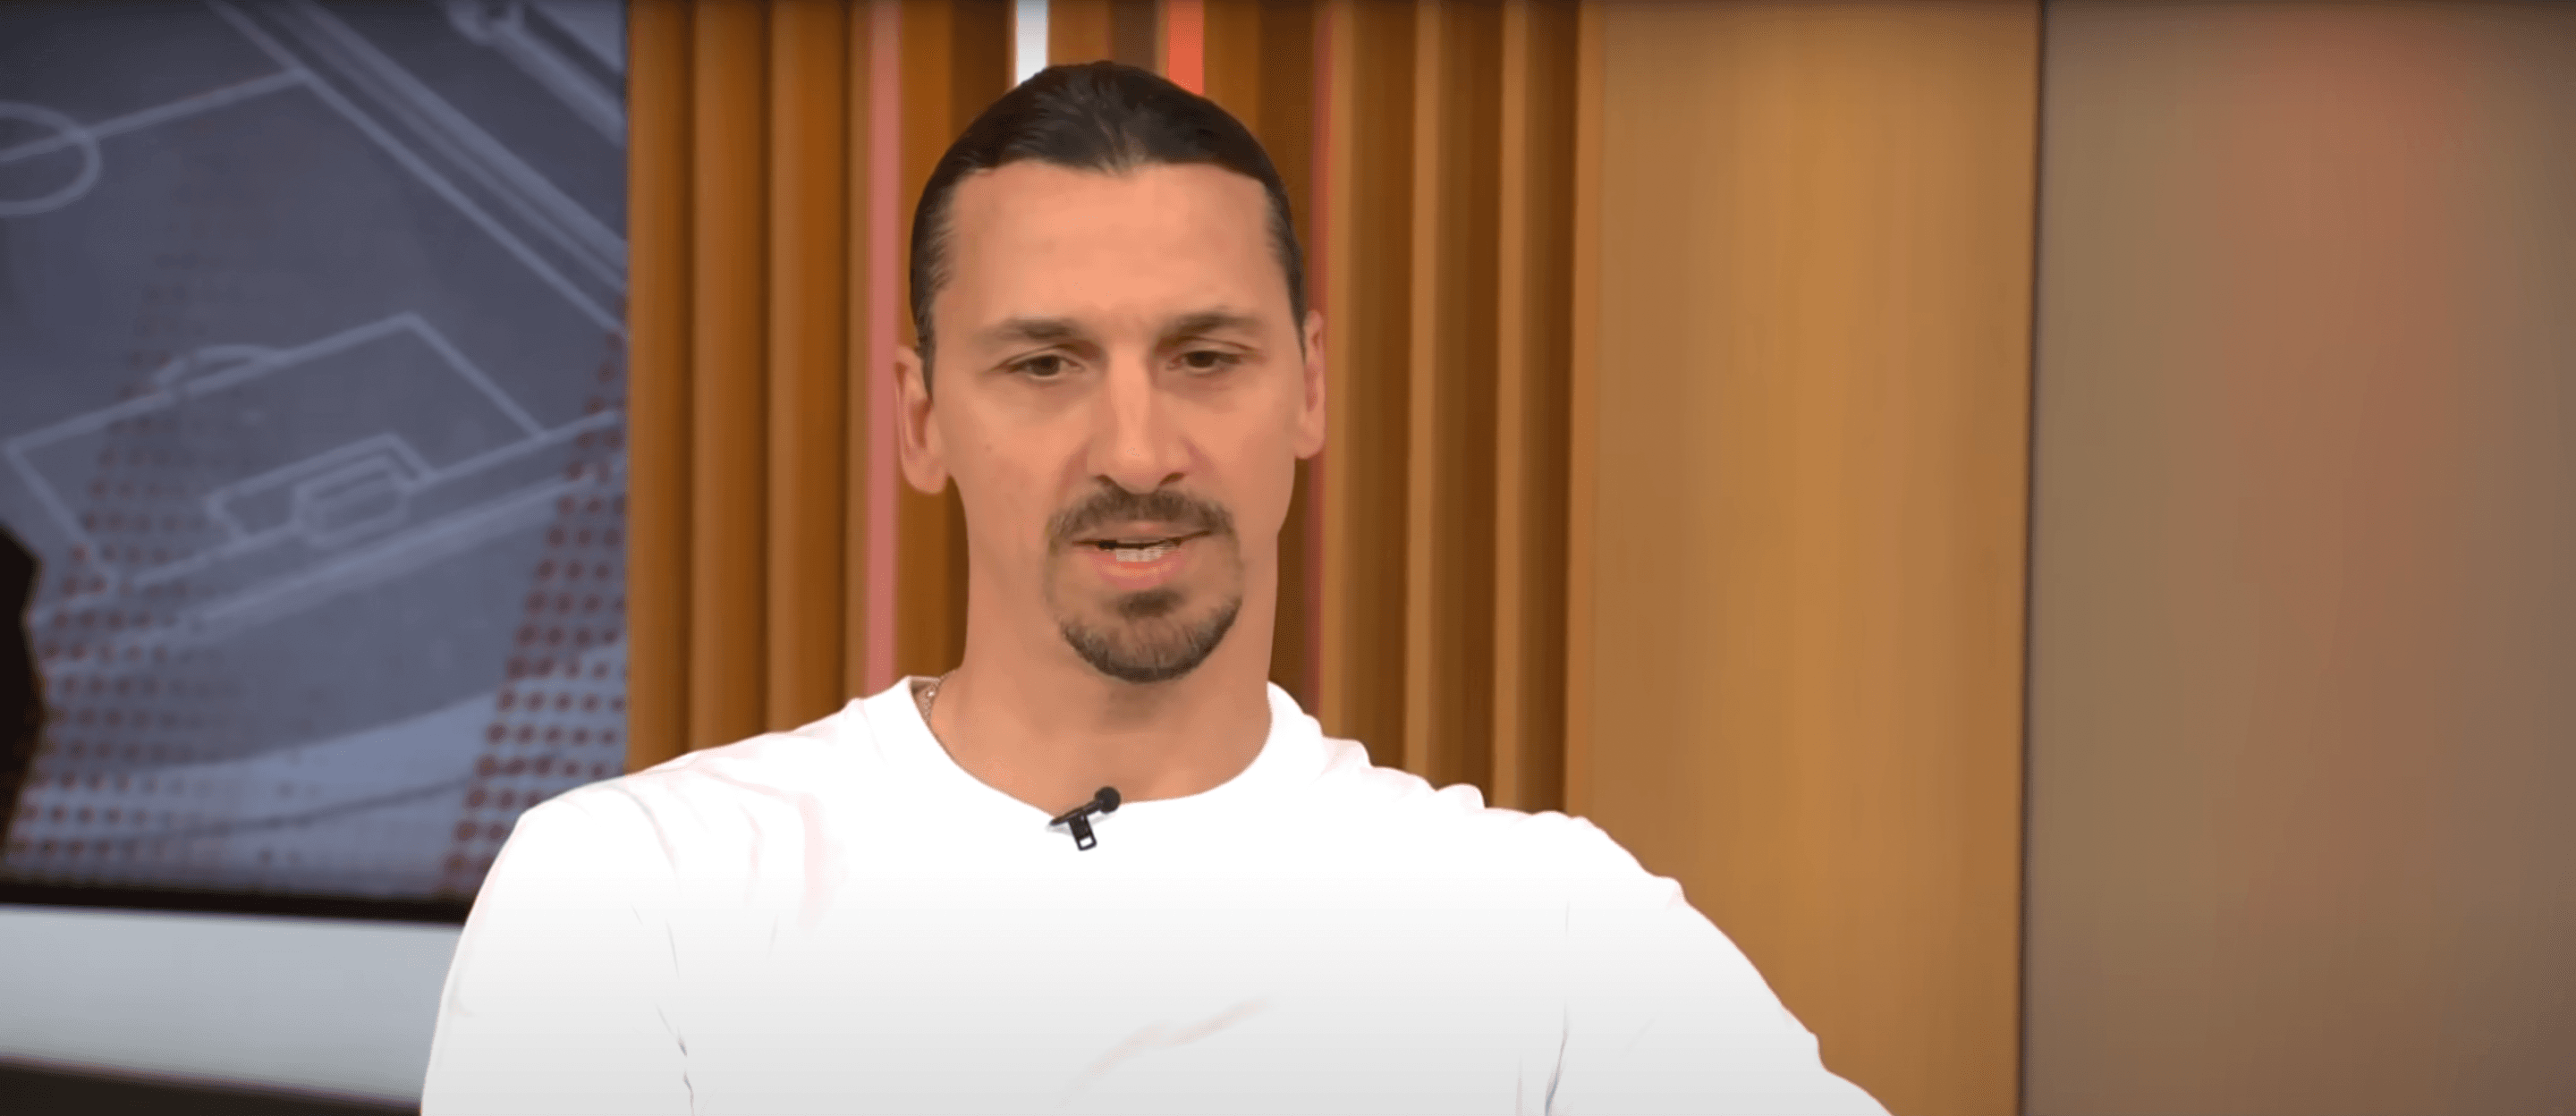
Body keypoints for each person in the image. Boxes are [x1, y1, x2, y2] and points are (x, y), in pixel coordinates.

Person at [421, 62, 1885, 1116]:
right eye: (1044, 364)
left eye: (1206, 357)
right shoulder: (636, 899)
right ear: (923, 420)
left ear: (1308, 388)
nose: (1136, 450)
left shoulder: (1549, 930)